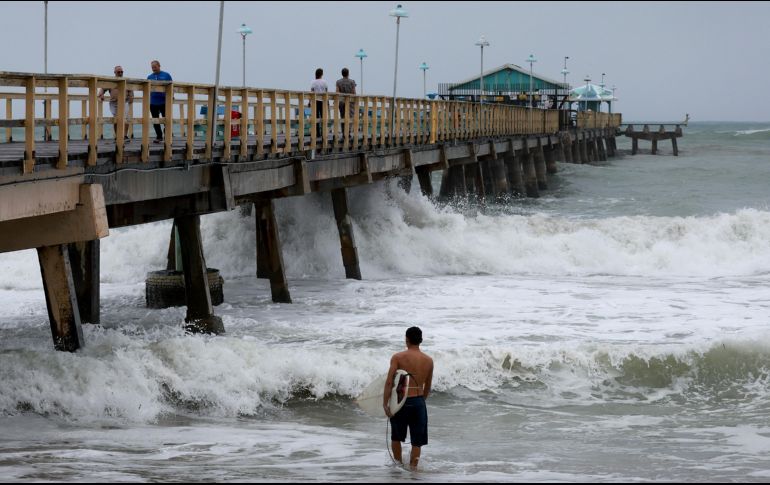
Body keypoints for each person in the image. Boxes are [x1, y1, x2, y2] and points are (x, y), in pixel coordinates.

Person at [383, 326, 434, 470]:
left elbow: (389, 381)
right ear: (420, 340)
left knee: (396, 437)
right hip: (418, 402)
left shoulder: (398, 357)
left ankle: (398, 467)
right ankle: (413, 470)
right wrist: (420, 401)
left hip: (401, 402)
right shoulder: (429, 360)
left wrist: (385, 404)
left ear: (407, 339)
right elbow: (428, 387)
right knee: (417, 441)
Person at [97, 65, 133, 140]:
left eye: (121, 72)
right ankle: (117, 136)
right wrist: (101, 95)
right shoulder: (111, 81)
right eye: (118, 72)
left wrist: (131, 97)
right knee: (116, 119)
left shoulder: (126, 80)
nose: (120, 73)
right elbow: (102, 89)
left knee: (125, 118)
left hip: (124, 101)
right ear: (115, 72)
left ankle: (125, 135)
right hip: (114, 103)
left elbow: (131, 90)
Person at [147, 60, 172, 143]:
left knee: (167, 120)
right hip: (153, 102)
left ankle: (168, 135)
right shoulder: (149, 77)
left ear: (159, 66)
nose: (153, 69)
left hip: (164, 101)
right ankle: (159, 136)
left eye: (155, 67)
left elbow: (171, 86)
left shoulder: (166, 75)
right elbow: (147, 88)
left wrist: (172, 96)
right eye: (152, 67)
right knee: (155, 120)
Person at [335, 68, 357, 139]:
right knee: (350, 117)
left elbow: (337, 92)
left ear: (342, 73)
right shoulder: (352, 82)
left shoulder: (338, 82)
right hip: (350, 102)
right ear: (348, 73)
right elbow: (354, 92)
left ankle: (344, 132)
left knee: (342, 116)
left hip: (341, 102)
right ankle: (348, 132)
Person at [310, 68, 328, 139]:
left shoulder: (313, 82)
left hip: (315, 101)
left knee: (316, 117)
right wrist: (327, 102)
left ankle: (318, 133)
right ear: (322, 74)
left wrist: (309, 101)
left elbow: (311, 92)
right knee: (323, 117)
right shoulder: (324, 82)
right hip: (323, 101)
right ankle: (324, 133)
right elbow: (326, 92)